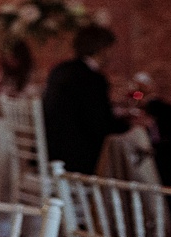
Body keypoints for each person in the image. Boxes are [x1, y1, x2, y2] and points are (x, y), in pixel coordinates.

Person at [43, 25, 132, 174]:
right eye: (110, 49)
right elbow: (99, 125)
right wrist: (128, 125)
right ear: (102, 49)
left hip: (51, 151)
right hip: (76, 158)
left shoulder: (60, 70)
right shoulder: (92, 79)